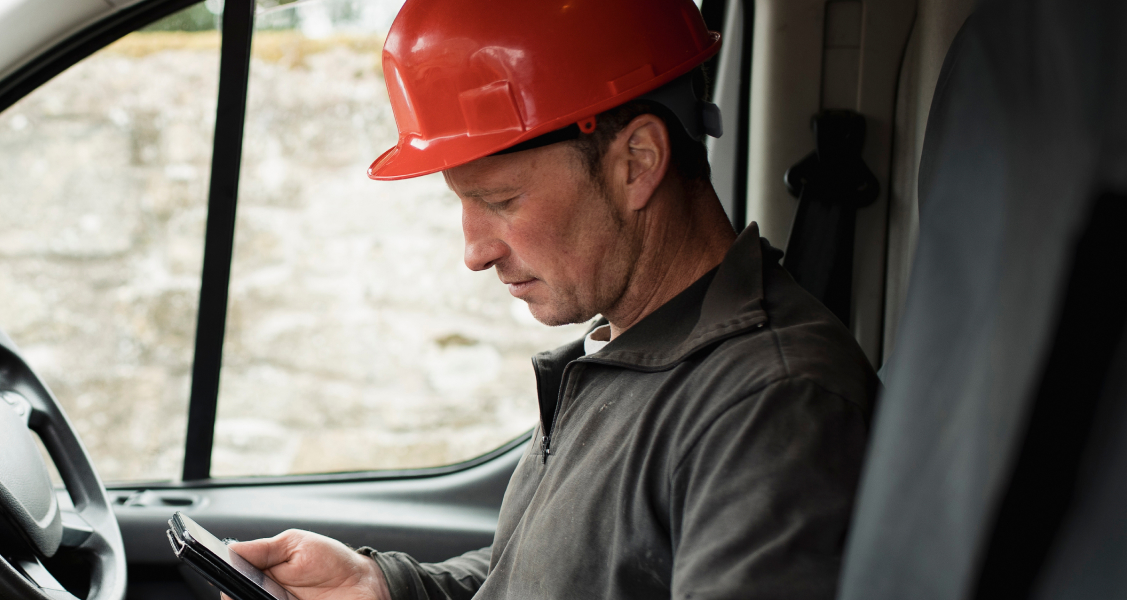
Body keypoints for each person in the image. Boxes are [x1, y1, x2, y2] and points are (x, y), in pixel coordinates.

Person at [227, 0, 879, 598]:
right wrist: (387, 588)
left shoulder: (769, 406)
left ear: (637, 161)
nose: (474, 251)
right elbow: (553, 574)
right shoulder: (630, 352)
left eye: (501, 200)